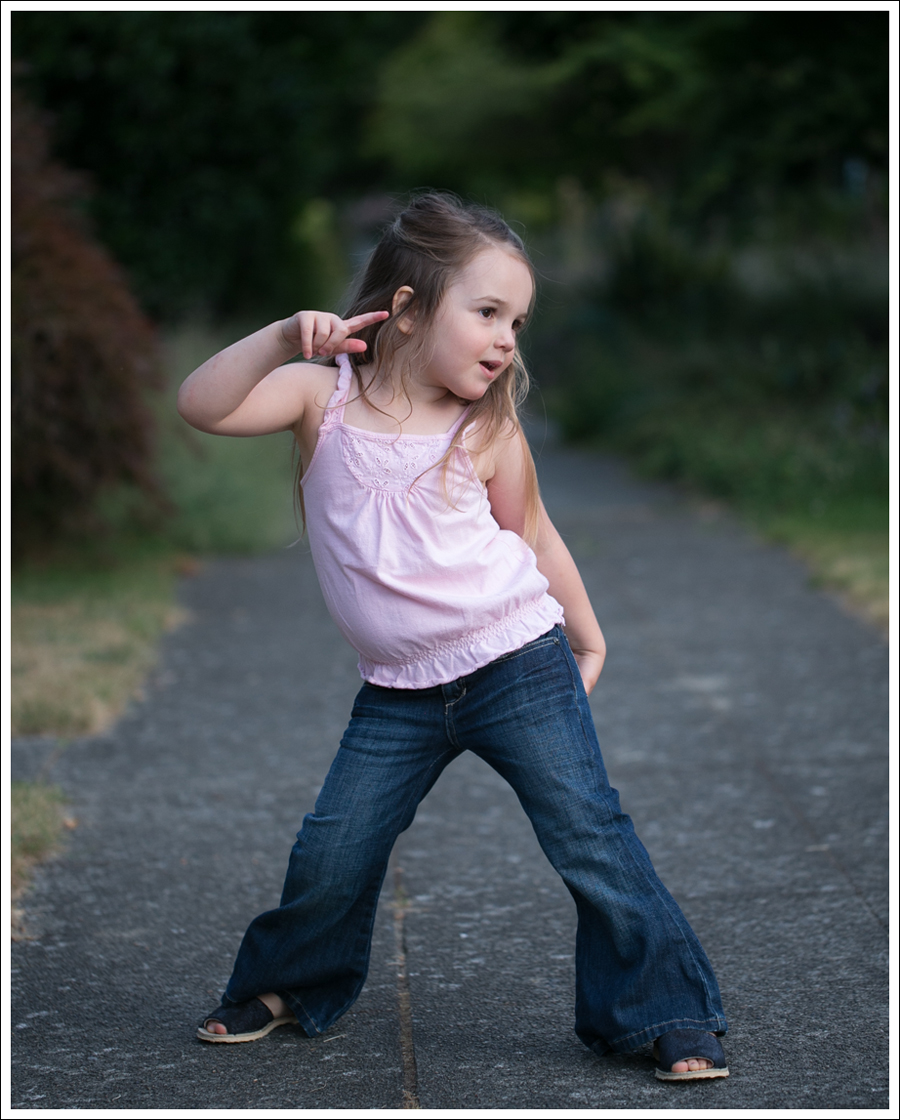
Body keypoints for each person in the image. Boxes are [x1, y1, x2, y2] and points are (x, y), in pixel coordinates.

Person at [177, 193, 729, 1082]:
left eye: (517, 322)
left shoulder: (486, 427)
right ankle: (288, 982)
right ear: (406, 309)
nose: (507, 339)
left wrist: (588, 639)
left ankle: (665, 1009)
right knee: (334, 849)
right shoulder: (322, 398)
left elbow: (534, 535)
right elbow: (201, 406)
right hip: (397, 693)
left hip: (518, 664)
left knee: (589, 835)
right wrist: (282, 337)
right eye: (488, 313)